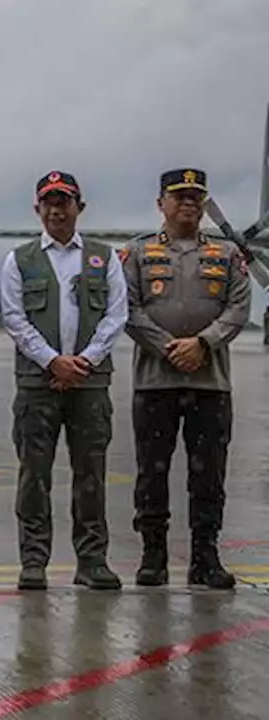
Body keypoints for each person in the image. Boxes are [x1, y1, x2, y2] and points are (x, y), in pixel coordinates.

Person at [0, 171, 127, 591]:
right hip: (38, 385)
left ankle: (92, 561)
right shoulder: (19, 260)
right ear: (38, 209)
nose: (57, 209)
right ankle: (33, 560)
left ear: (80, 207)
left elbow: (116, 317)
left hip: (89, 386)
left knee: (90, 474)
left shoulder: (103, 258)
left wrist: (83, 364)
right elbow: (14, 319)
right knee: (34, 475)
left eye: (65, 201)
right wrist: (53, 361)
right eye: (49, 202)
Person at [122, 168, 249, 589]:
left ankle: (205, 556)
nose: (189, 203)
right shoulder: (137, 254)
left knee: (208, 475)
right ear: (161, 203)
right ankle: (153, 555)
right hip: (155, 382)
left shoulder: (228, 255)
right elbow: (128, 309)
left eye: (196, 196)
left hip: (209, 384)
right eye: (179, 196)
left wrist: (203, 344)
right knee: (151, 473)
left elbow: (237, 309)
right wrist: (168, 346)